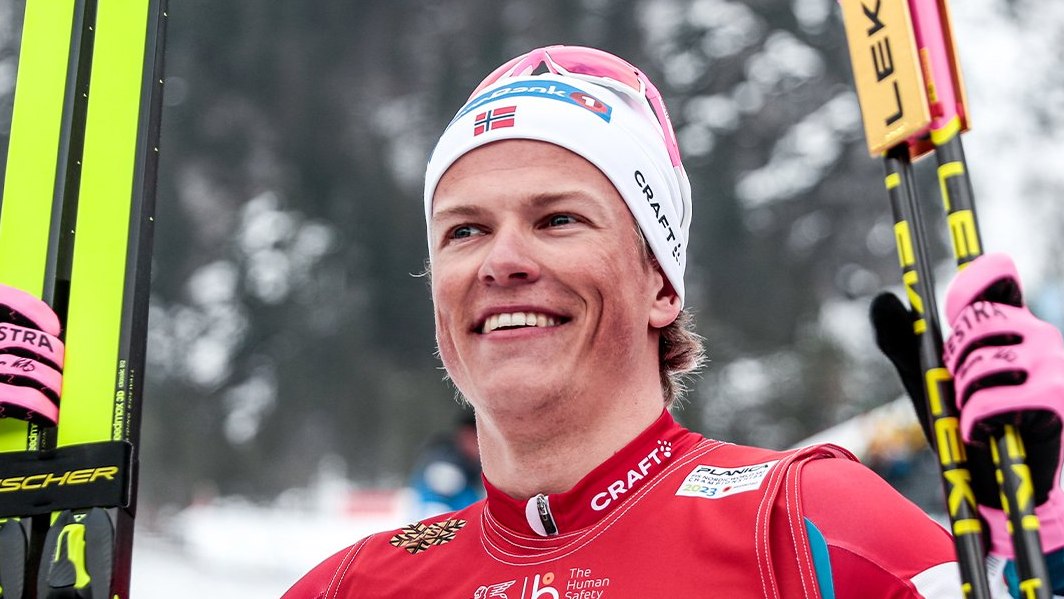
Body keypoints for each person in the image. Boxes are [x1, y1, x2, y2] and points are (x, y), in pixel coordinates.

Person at [2, 45, 1061, 599]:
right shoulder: (354, 585)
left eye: (558, 218)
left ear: (659, 283)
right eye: (463, 230)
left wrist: (1045, 545)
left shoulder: (806, 525)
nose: (501, 258)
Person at [408, 410, 483, 517]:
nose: (474, 445)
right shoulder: (444, 465)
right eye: (470, 439)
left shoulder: (477, 465)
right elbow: (434, 510)